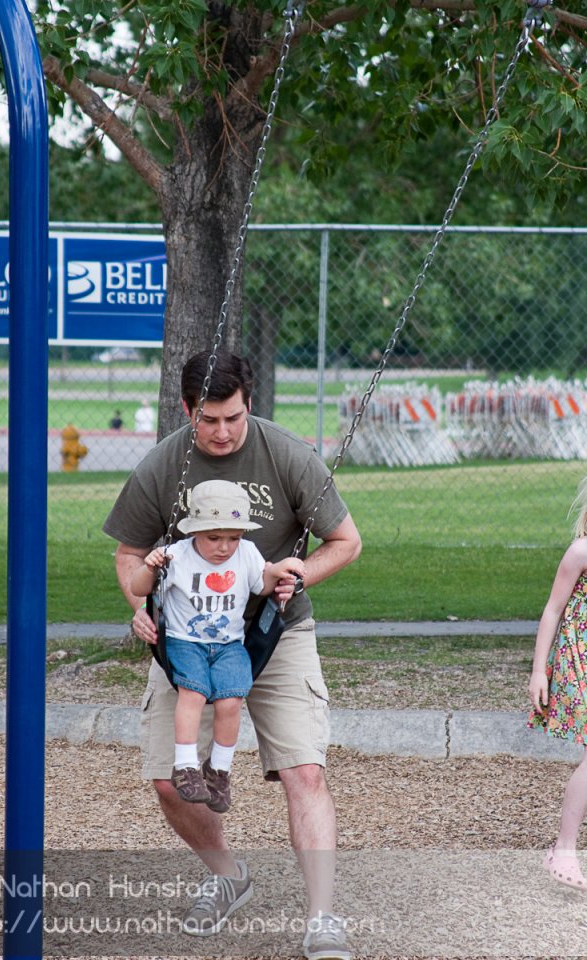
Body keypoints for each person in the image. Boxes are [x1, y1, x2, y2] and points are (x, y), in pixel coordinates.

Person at [103, 349, 361, 960]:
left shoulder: (286, 454)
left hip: (275, 631)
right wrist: (138, 605)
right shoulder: (165, 464)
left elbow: (346, 542)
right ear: (188, 409)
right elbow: (127, 554)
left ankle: (323, 918)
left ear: (250, 404)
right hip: (190, 637)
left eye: (235, 418)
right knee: (169, 781)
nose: (222, 432)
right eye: (210, 419)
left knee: (305, 770)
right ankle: (227, 876)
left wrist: (301, 572)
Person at [129, 479, 306, 814]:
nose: (225, 547)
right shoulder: (176, 557)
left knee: (231, 700)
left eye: (233, 538)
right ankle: (186, 766)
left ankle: (219, 771)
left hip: (228, 645)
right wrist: (150, 567)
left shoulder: (247, 553)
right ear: (195, 531)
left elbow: (262, 583)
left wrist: (279, 571)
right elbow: (140, 588)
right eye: (214, 538)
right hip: (185, 642)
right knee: (193, 693)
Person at [528, 477, 587, 891]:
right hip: (580, 662)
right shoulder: (581, 551)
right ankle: (564, 847)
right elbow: (552, 610)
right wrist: (538, 670)